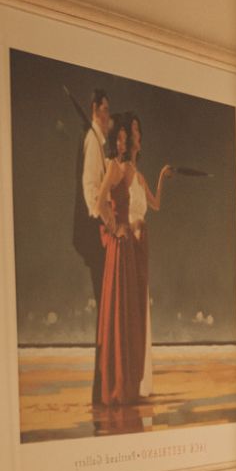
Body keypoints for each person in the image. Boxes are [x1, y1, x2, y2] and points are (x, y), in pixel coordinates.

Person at [92, 116, 147, 407]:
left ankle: (125, 384)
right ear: (114, 141)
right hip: (119, 245)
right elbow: (99, 203)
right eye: (121, 139)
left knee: (125, 311)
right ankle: (117, 386)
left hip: (125, 247)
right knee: (118, 310)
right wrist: (114, 227)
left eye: (127, 138)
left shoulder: (123, 167)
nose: (124, 143)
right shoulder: (113, 167)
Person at [126, 114, 173, 398]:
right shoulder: (122, 170)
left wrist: (161, 177)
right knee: (132, 304)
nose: (138, 134)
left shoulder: (140, 175)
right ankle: (131, 379)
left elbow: (154, 205)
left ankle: (142, 381)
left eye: (138, 130)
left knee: (142, 302)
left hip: (142, 242)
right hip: (130, 242)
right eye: (133, 130)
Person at [73, 89, 109, 402]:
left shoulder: (98, 141)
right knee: (103, 305)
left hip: (98, 232)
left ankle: (105, 379)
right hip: (96, 235)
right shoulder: (92, 140)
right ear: (95, 109)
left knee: (105, 306)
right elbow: (89, 187)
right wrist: (101, 221)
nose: (109, 117)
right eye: (106, 110)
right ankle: (102, 382)